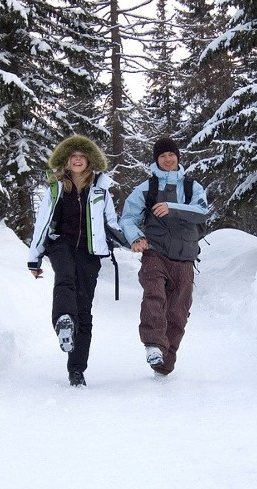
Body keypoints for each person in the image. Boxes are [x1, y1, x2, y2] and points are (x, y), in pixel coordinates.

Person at [27, 135, 123, 387]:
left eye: (82, 156)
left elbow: (111, 223)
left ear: (90, 161)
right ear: (67, 162)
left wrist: (133, 240)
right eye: (73, 156)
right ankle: (63, 321)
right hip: (60, 244)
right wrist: (34, 258)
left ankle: (77, 369)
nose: (78, 159)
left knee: (85, 311)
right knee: (65, 276)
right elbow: (43, 223)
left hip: (90, 253)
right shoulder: (56, 187)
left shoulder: (101, 189)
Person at [119, 137, 208, 377]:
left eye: (171, 154)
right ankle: (153, 344)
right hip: (155, 253)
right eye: (162, 156)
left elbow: (201, 212)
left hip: (185, 258)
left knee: (178, 311)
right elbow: (127, 218)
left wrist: (172, 207)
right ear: (156, 160)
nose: (168, 159)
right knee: (154, 295)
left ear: (178, 157)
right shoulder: (146, 188)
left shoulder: (192, 187)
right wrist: (136, 237)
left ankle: (165, 362)